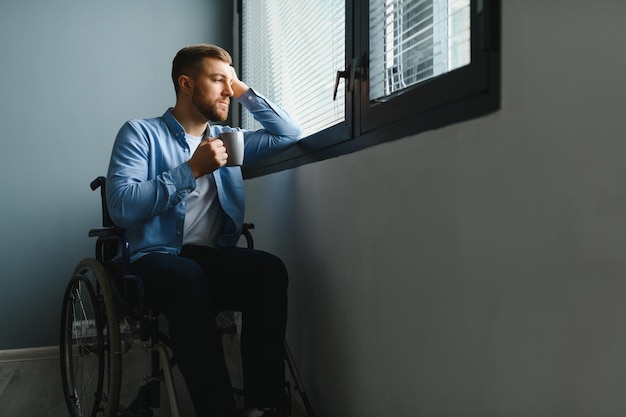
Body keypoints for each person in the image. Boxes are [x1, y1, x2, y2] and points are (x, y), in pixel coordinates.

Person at [105, 43, 302, 417]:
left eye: (231, 83)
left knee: (269, 270)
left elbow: (287, 132)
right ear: (186, 84)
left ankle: (264, 405)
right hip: (153, 260)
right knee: (186, 275)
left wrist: (240, 87)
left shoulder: (231, 141)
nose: (228, 91)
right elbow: (121, 206)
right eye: (217, 80)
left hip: (207, 259)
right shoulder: (140, 134)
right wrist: (191, 170)